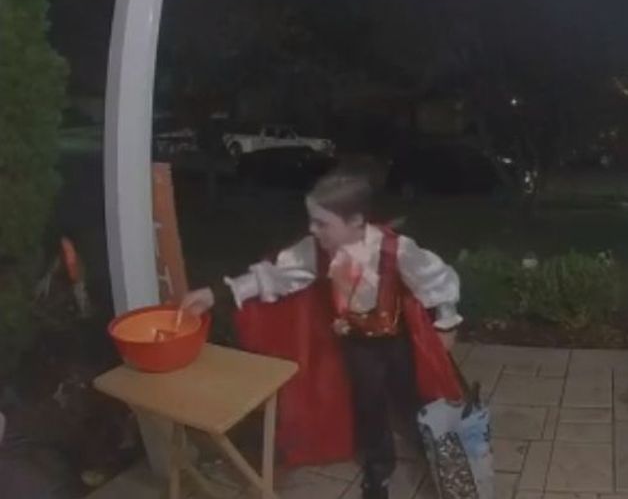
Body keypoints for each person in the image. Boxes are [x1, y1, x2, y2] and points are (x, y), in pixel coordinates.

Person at [181, 169, 463, 499]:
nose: (313, 230)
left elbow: (438, 280)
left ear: (356, 221)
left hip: (398, 340)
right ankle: (378, 472)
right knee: (368, 405)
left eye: (322, 222)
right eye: (312, 221)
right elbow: (276, 276)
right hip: (358, 343)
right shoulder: (313, 251)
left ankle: (444, 463)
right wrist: (217, 294)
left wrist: (447, 322)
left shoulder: (396, 250)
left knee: (419, 400)